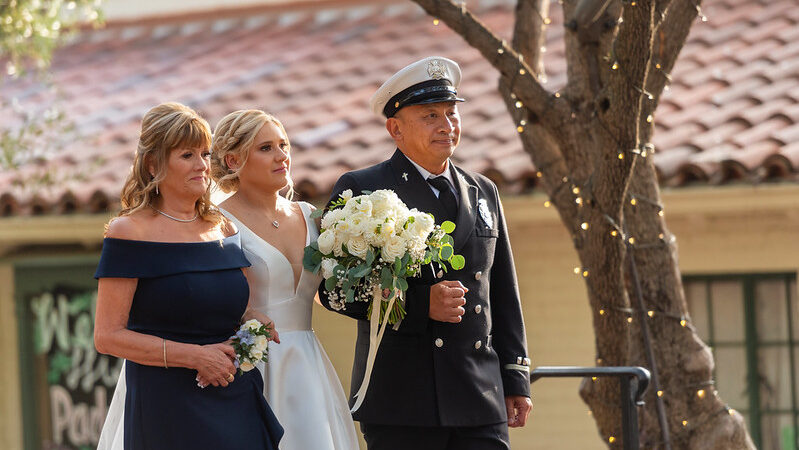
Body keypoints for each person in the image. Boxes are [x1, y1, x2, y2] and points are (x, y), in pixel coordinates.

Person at [318, 56, 533, 450]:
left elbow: (502, 290)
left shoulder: (483, 189)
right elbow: (334, 291)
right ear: (395, 129)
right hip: (404, 398)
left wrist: (515, 376)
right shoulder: (363, 189)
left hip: (479, 394)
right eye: (431, 115)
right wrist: (419, 305)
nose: (447, 126)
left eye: (452, 113)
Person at [93, 102, 283, 450]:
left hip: (233, 394)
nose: (201, 165)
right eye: (187, 155)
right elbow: (108, 337)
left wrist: (251, 319)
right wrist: (195, 356)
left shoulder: (223, 228)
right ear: (153, 164)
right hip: (166, 406)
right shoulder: (129, 230)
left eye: (205, 153)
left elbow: (219, 301)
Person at [209, 109, 359, 450]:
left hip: (308, 361)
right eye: (266, 148)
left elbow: (322, 294)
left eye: (284, 145)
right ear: (234, 160)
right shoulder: (216, 222)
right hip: (251, 364)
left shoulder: (312, 216)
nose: (282, 156)